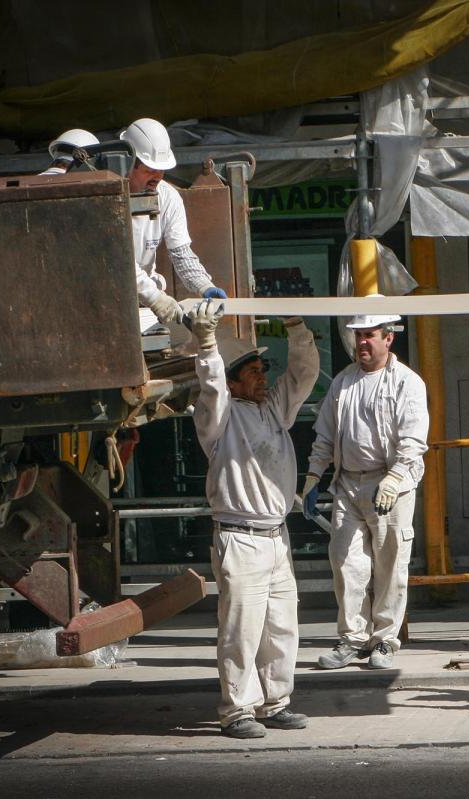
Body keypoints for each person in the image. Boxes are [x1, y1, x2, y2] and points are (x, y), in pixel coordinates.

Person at [189, 299, 319, 738]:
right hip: (240, 538)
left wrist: (296, 326)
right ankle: (237, 710)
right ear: (233, 381)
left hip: (274, 536)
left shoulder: (271, 409)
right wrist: (208, 344)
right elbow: (211, 388)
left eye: (262, 371)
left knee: (281, 625)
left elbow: (303, 375)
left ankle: (274, 701)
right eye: (253, 372)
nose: (263, 377)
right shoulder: (218, 420)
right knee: (241, 630)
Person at [302, 299, 429, 670]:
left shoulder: (408, 383)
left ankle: (385, 639)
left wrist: (394, 478)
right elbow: (325, 437)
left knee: (391, 564)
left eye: (369, 335)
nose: (361, 342)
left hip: (392, 485)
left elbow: (413, 440)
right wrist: (313, 477)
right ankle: (353, 638)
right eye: (358, 335)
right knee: (346, 563)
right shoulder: (343, 382)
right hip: (348, 486)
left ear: (388, 338)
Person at [120, 117, 227, 326]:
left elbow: (181, 254)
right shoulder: (104, 199)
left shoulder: (167, 197)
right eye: (150, 169)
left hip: (142, 302)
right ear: (128, 162)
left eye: (161, 170)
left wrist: (204, 286)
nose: (157, 176)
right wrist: (155, 298)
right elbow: (118, 261)